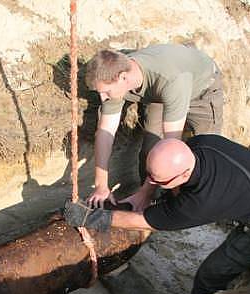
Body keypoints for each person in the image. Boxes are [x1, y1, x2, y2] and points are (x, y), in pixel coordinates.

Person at [63, 135, 250, 294]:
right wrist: (145, 193)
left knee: (211, 275)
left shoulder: (201, 203)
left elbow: (143, 221)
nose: (153, 183)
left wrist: (92, 218)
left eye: (160, 182)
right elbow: (159, 181)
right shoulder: (200, 143)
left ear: (184, 174)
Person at [84, 43, 224, 209]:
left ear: (123, 77)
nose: (103, 97)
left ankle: (194, 206)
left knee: (205, 152)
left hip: (200, 89)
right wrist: (101, 186)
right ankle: (154, 203)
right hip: (160, 92)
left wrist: (144, 194)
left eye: (106, 91)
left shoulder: (171, 81)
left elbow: (171, 148)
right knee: (150, 151)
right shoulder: (116, 72)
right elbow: (105, 132)